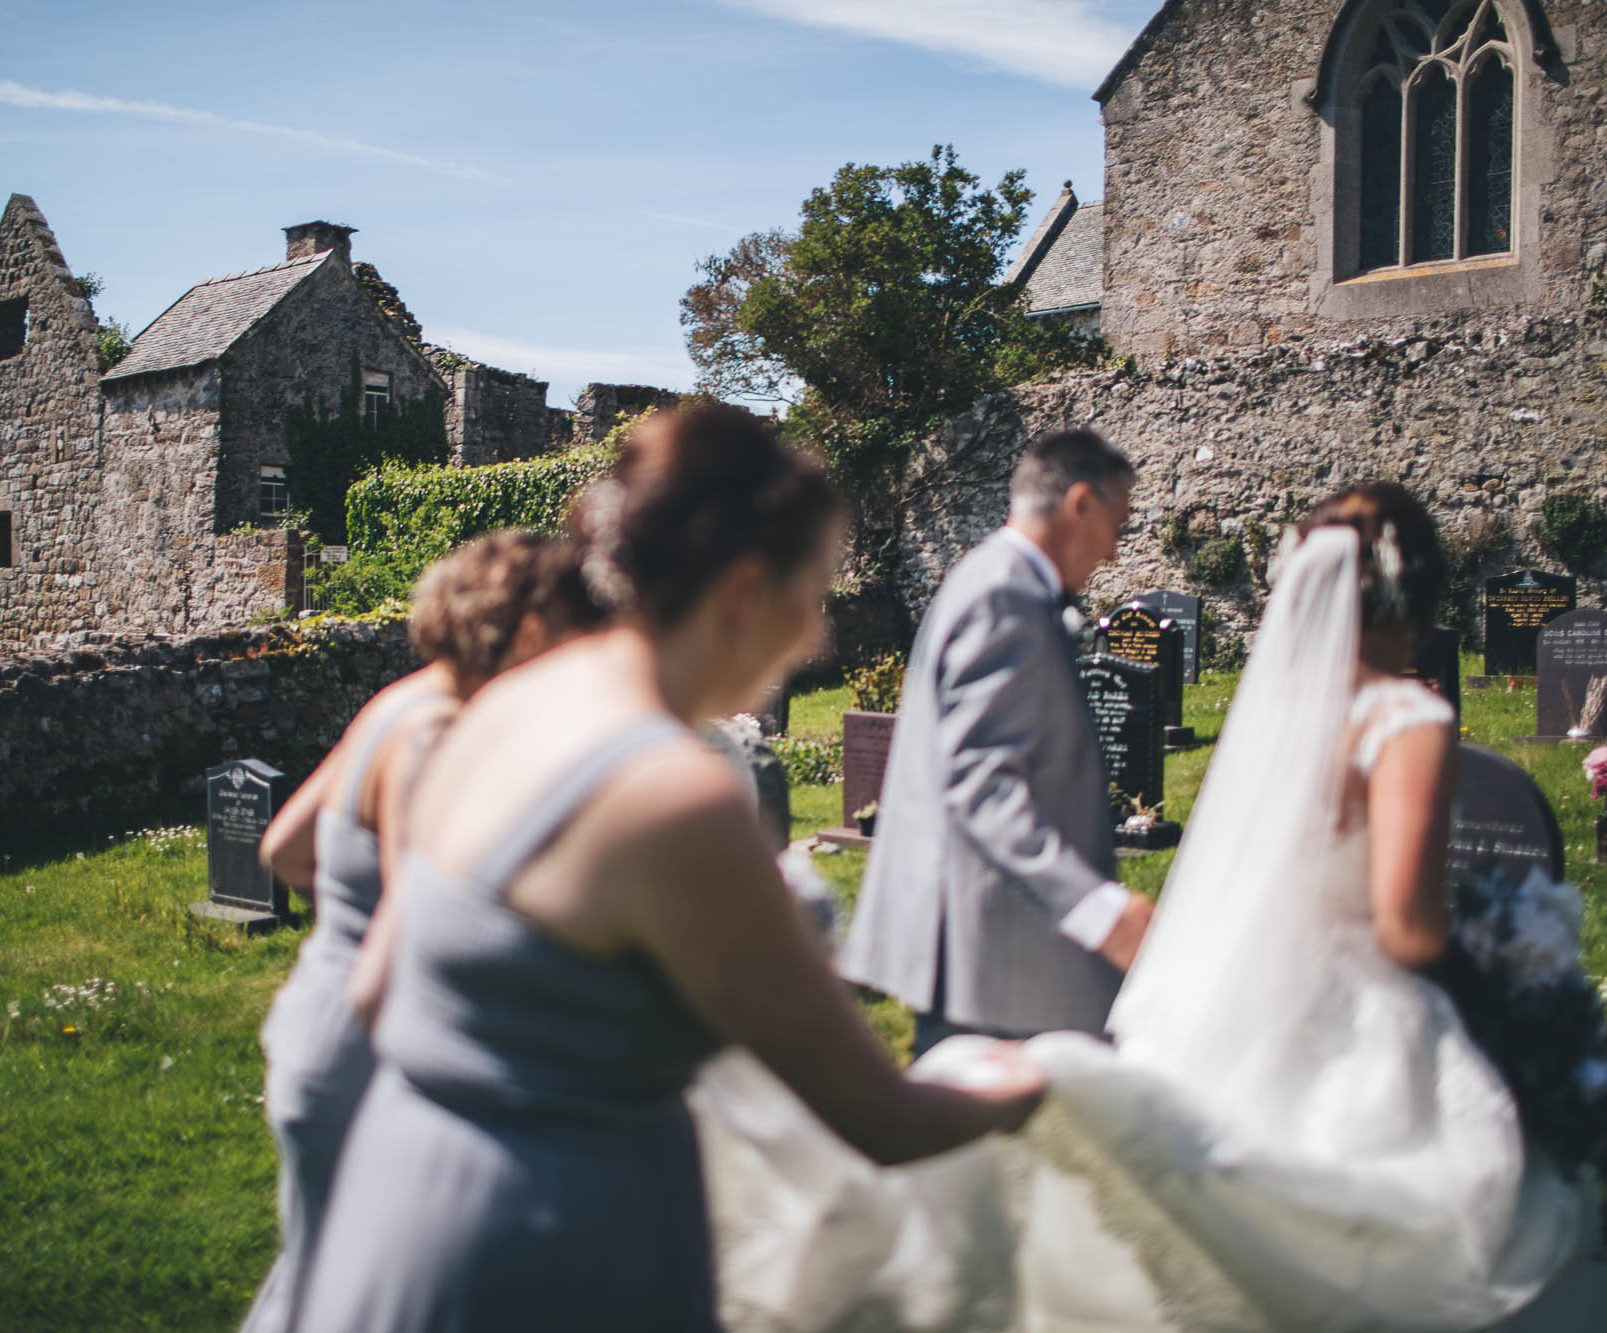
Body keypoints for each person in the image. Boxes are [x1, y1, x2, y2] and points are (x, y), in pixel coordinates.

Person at [701, 482, 1601, 1331]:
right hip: (1357, 1008)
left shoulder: (1285, 715)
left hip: (1250, 994)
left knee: (1219, 1215)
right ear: (1422, 595)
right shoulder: (1407, 716)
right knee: (1416, 1236)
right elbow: (1406, 926)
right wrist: (1508, 968)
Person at [294, 406, 1047, 1333]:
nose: (815, 640)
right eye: (810, 594)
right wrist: (1030, 1083)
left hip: (397, 1198)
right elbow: (881, 1118)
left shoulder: (497, 703)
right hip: (551, 1246)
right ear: (741, 590)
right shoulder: (671, 792)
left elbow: (377, 991)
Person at [239, 531, 601, 1333]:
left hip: (311, 1020)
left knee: (319, 1279)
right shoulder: (440, 732)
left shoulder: (397, 699)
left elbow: (284, 848)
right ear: (533, 630)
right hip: (368, 1047)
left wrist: (350, 913)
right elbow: (421, 939)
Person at [839, 427, 1155, 1056]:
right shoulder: (1004, 596)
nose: (1116, 553)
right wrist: (1097, 910)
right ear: (1081, 504)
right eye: (1118, 526)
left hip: (989, 950)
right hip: (986, 958)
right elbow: (980, 785)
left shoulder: (995, 578)